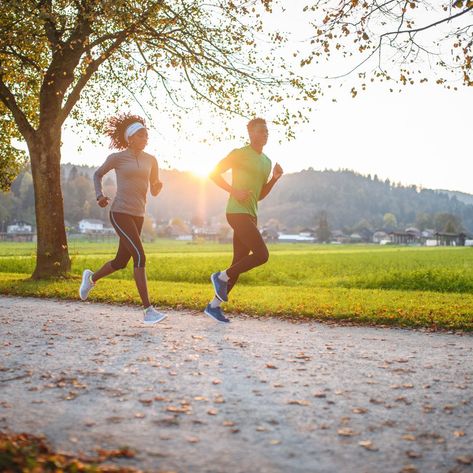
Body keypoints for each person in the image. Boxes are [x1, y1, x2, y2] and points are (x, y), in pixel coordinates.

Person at [79, 113, 166, 325]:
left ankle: (91, 278)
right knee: (139, 256)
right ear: (131, 138)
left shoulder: (151, 160)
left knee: (120, 262)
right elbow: (97, 174)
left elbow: (153, 190)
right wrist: (99, 195)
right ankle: (148, 310)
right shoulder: (117, 158)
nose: (146, 139)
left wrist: (157, 187)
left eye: (147, 135)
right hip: (120, 212)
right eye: (142, 135)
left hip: (138, 215)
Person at [206, 118, 283, 323]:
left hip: (251, 214)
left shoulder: (266, 162)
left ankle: (213, 306)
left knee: (239, 263)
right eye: (261, 131)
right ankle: (220, 276)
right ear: (250, 133)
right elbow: (212, 173)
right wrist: (233, 191)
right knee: (261, 254)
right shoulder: (239, 154)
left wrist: (274, 178)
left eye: (267, 131)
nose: (265, 134)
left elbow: (259, 195)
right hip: (236, 211)